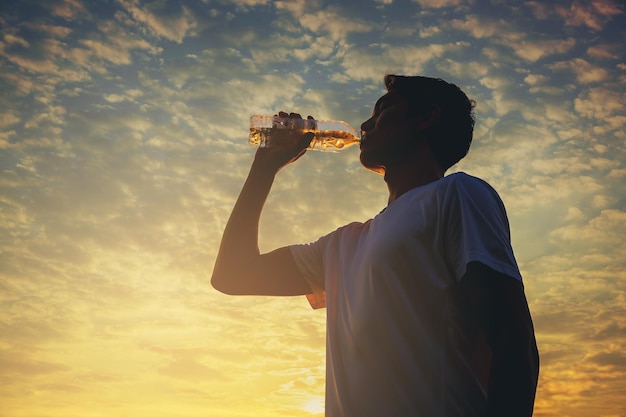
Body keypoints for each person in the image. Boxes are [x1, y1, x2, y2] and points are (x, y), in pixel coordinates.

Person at [211, 75, 540, 417]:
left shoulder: (457, 195)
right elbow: (233, 275)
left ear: (426, 118)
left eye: (383, 110)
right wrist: (264, 168)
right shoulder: (340, 245)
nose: (366, 123)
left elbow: (512, 340)